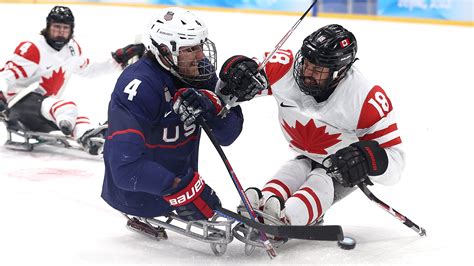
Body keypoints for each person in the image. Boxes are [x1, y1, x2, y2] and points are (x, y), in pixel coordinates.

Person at [218, 24, 405, 226]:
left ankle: (288, 217)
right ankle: (264, 202)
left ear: (339, 71)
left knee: (320, 178)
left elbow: (395, 163)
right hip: (304, 155)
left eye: (317, 69)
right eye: (306, 63)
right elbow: (229, 90)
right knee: (296, 167)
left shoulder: (364, 98)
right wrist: (235, 73)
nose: (307, 72)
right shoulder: (285, 67)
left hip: (341, 167)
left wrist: (368, 159)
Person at [101, 7, 243, 223]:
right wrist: (180, 188)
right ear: (165, 51)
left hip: (180, 178)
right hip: (139, 196)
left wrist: (213, 105)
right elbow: (124, 167)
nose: (201, 56)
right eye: (190, 49)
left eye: (200, 47)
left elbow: (228, 135)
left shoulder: (197, 70)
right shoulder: (138, 86)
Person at [0, 6, 145, 155]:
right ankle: (71, 126)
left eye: (65, 28)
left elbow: (88, 69)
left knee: (79, 119)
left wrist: (117, 59)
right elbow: (6, 74)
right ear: (48, 26)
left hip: (44, 111)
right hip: (18, 106)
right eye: (56, 27)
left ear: (71, 29)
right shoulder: (33, 48)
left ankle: (90, 138)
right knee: (66, 108)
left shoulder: (72, 48)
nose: (61, 32)